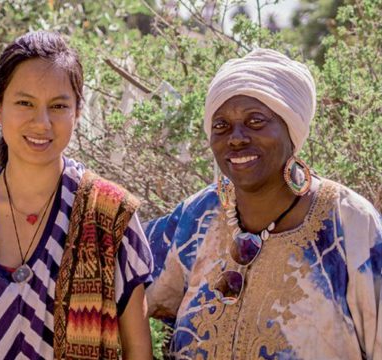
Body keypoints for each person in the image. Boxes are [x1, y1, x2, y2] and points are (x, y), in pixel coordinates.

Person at [0, 31, 153, 360]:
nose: (41, 122)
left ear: (78, 111)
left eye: (58, 106)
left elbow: (139, 351)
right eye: (25, 103)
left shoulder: (112, 216)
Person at [145, 48, 382, 359]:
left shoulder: (349, 223)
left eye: (256, 121)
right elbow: (122, 275)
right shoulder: (197, 216)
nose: (236, 138)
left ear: (291, 127)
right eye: (221, 126)